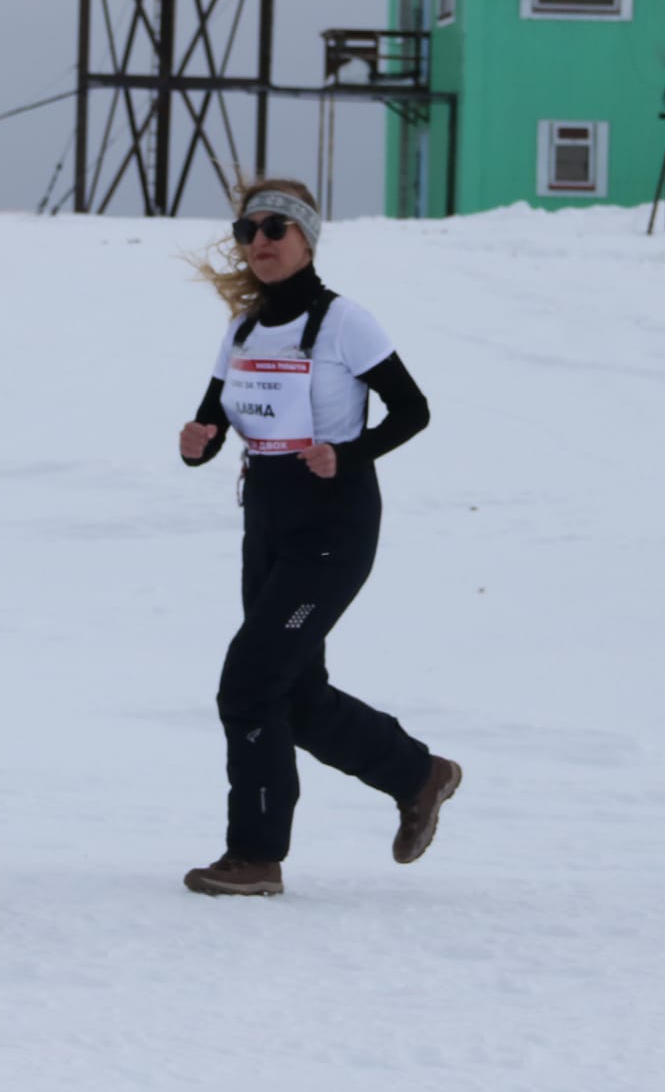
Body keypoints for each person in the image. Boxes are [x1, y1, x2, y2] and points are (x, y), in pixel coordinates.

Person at [176, 178, 459, 897]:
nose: (261, 241)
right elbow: (212, 423)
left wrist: (349, 451)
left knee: (248, 684)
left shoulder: (344, 322)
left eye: (276, 228)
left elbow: (413, 409)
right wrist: (197, 441)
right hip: (266, 516)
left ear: (306, 239)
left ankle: (255, 855)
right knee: (291, 694)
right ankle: (418, 774)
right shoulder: (241, 330)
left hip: (333, 522)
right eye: (249, 230)